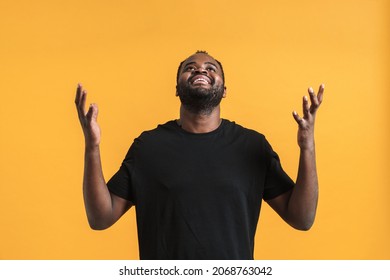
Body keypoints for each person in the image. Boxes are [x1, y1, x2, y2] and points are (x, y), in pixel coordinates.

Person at [75, 51, 324, 260]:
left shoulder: (252, 146)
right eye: (190, 68)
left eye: (210, 68)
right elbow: (100, 217)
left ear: (224, 90)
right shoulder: (148, 147)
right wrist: (92, 147)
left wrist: (308, 148)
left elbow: (302, 218)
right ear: (177, 88)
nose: (200, 71)